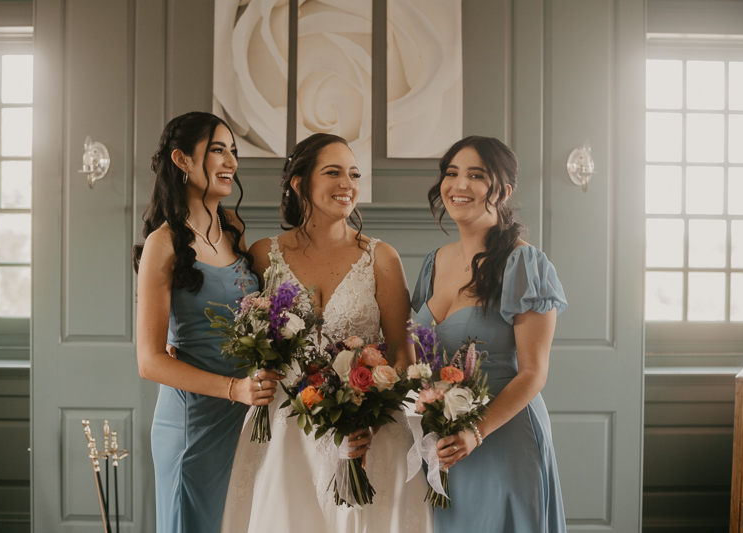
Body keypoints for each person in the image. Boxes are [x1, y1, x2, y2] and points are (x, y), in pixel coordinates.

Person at [221, 133, 432, 533]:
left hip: (365, 433)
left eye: (353, 173)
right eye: (332, 172)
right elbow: (232, 313)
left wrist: (371, 417)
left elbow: (404, 354)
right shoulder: (265, 254)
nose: (347, 183)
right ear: (299, 183)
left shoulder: (381, 258)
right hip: (284, 430)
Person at [411, 136, 568, 532]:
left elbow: (534, 371)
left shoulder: (524, 263)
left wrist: (475, 432)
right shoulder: (433, 263)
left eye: (475, 175)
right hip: (444, 445)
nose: (459, 185)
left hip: (502, 436)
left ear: (504, 190)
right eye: (451, 173)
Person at [134, 112, 281, 533]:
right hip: (193, 426)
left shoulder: (233, 228)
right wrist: (235, 389)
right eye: (218, 149)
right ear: (181, 160)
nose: (231, 161)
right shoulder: (163, 244)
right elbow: (149, 362)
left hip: (244, 420)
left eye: (233, 151)